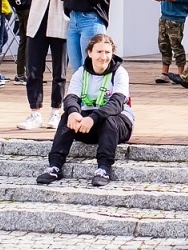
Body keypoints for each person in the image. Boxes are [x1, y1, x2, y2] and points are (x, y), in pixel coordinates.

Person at [34, 33, 134, 187]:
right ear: (89, 53)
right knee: (67, 116)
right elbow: (71, 98)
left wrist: (93, 118)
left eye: (107, 52)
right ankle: (54, 166)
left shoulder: (120, 73)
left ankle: (104, 169)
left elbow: (116, 103)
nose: (103, 57)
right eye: (99, 52)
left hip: (117, 123)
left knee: (109, 120)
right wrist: (74, 112)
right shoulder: (81, 73)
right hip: (88, 124)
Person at [18, 0, 71, 130]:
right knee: (33, 69)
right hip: (38, 21)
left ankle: (56, 111)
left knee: (59, 70)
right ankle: (35, 112)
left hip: (61, 21)